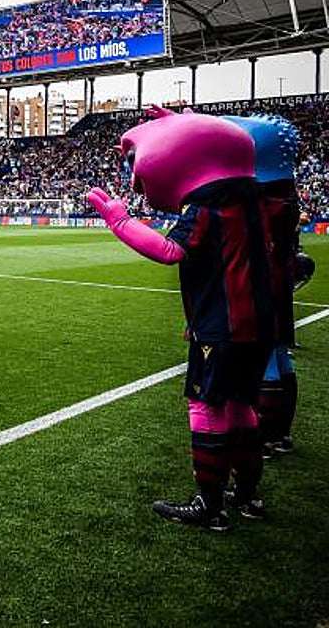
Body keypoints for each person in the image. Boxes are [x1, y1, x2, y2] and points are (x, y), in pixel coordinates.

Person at [88, 108, 273, 530]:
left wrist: (120, 221)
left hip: (223, 326)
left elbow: (170, 251)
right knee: (241, 405)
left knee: (206, 405)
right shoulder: (252, 197)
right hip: (258, 324)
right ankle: (248, 496)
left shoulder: (207, 204)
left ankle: (210, 507)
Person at [225, 115, 301, 457]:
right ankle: (280, 432)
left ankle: (265, 436)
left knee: (265, 356)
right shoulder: (286, 194)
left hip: (261, 284)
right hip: (279, 282)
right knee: (280, 353)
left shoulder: (260, 200)